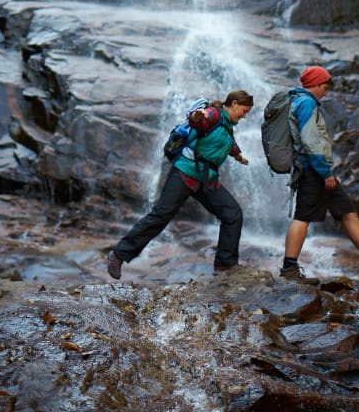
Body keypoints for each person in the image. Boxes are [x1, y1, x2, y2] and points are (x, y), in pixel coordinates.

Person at [280, 66, 359, 284]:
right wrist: (325, 172)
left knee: (347, 211)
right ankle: (289, 270)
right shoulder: (306, 102)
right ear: (316, 84)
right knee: (303, 217)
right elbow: (310, 141)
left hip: (314, 168)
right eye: (324, 87)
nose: (326, 92)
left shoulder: (297, 101)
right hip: (313, 170)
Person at [107, 90, 254, 278]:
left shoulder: (226, 125)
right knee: (161, 214)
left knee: (232, 213)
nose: (245, 115)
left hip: (205, 178)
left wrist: (238, 156)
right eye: (244, 110)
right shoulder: (214, 114)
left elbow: (228, 143)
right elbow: (198, 121)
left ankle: (226, 264)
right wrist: (197, 115)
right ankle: (118, 254)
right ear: (234, 104)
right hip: (185, 172)